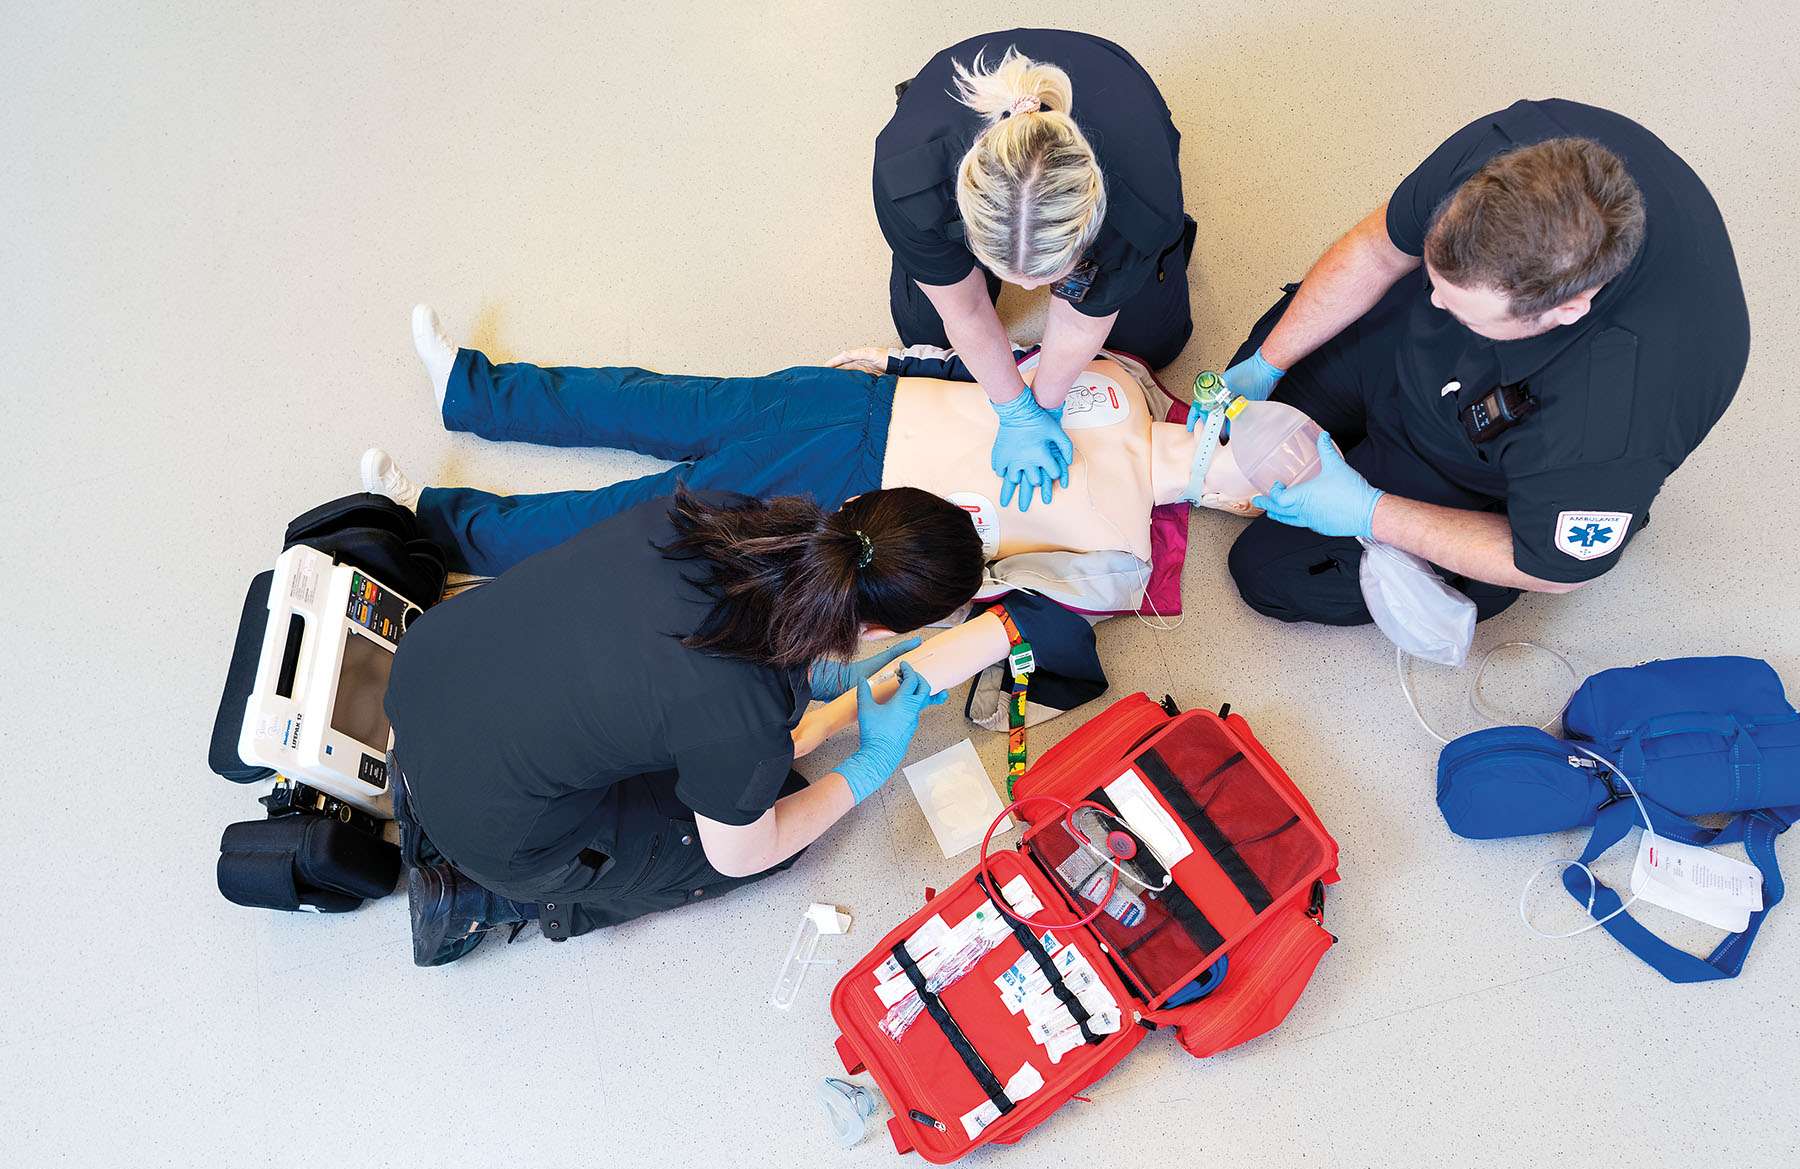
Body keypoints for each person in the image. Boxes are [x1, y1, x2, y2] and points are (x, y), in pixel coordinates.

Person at [384, 481, 984, 967]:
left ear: (851, 506)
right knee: (781, 819)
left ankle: (421, 790)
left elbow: (675, 652)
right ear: (878, 633)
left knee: (714, 760)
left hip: (427, 675)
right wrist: (868, 766)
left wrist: (820, 689)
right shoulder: (742, 717)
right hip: (498, 835)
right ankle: (481, 899)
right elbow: (743, 853)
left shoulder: (722, 511)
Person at [1213, 99, 1749, 625]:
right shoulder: (1514, 156)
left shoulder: (1609, 424)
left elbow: (1557, 571)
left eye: (1461, 308)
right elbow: (1377, 253)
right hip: (1405, 352)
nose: (1436, 304)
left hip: (1489, 459)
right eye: (1436, 281)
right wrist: (1267, 362)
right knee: (1228, 428)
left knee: (1267, 572)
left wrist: (1368, 510)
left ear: (1567, 308)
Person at [369, 306, 1230, 586]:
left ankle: (436, 527)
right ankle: (470, 388)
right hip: (858, 402)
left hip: (850, 489)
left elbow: (999, 583)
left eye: (1246, 480)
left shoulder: (1123, 542)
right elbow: (999, 363)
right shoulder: (1121, 385)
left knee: (636, 517)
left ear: (1241, 502)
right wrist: (893, 361)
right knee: (657, 400)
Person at [874, 31, 1194, 511]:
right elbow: (964, 310)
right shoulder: (908, 179)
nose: (1030, 290)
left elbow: (1082, 315)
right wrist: (1012, 409)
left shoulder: (1140, 202)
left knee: (1150, 345)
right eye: (1013, 271)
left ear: (1092, 221)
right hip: (944, 101)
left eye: (1049, 275)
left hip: (1109, 84)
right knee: (924, 332)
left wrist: (1044, 404)